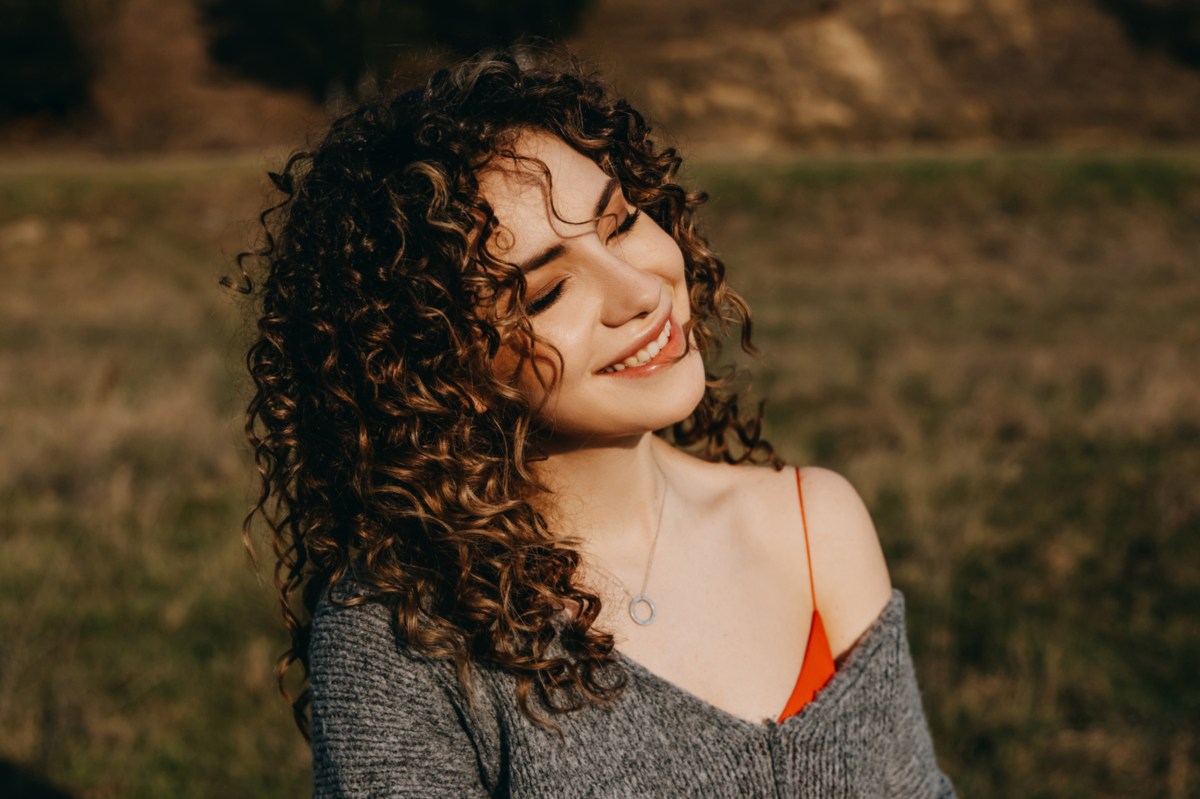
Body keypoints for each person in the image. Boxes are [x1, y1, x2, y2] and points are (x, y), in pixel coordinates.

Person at [235, 45, 956, 797]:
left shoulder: (816, 528)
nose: (641, 289)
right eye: (546, 293)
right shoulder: (402, 634)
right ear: (439, 369)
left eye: (618, 223)